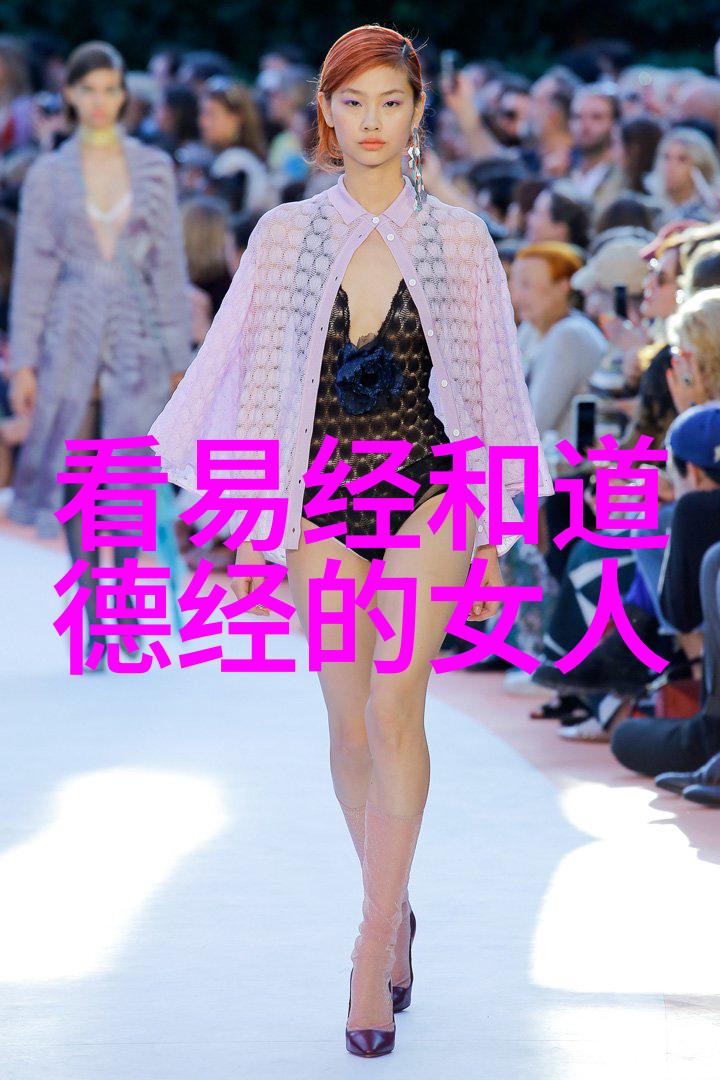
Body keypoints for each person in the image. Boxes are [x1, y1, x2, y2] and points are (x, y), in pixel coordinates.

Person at [147, 24, 553, 1058]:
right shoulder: (287, 235)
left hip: (433, 491)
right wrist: (250, 524)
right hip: (318, 495)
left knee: (393, 703)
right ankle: (396, 904)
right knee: (348, 724)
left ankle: (370, 951)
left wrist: (496, 532)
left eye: (392, 101)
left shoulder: (461, 239)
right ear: (325, 112)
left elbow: (492, 386)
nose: (373, 121)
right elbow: (253, 379)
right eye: (353, 101)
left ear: (419, 114)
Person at [6, 41, 192, 667]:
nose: (99, 101)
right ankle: (93, 605)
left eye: (110, 89)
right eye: (87, 89)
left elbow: (169, 267)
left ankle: (124, 608)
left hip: (137, 328)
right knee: (76, 466)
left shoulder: (153, 168)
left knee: (129, 470)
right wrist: (23, 361)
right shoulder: (48, 174)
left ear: (123, 95)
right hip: (69, 326)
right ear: (70, 94)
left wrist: (179, 355)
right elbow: (32, 270)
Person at [510, 240, 607, 439]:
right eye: (516, 284)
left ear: (563, 286)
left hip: (565, 454)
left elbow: (535, 422)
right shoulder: (531, 328)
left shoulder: (570, 335)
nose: (517, 296)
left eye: (527, 285)